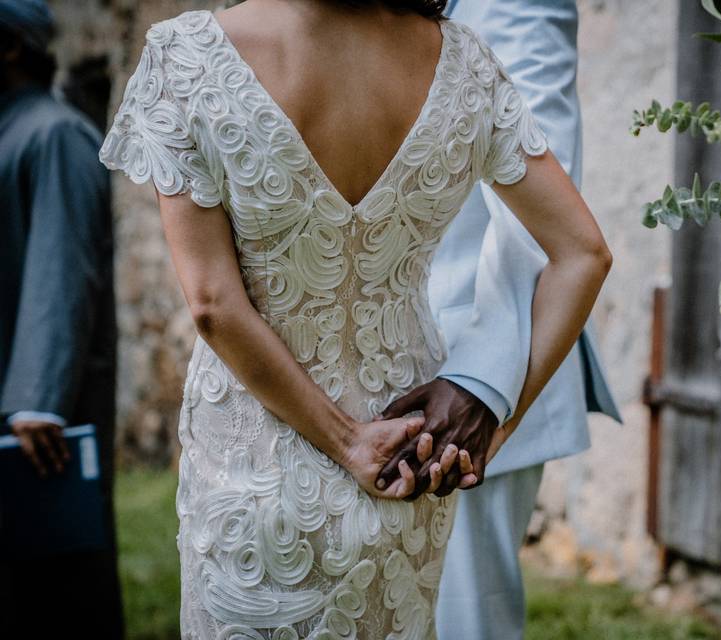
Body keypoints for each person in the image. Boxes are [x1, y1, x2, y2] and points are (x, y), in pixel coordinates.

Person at [100, 0, 611, 636]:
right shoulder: (462, 60)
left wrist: (346, 441)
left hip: (256, 467)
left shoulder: (187, 55)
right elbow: (583, 253)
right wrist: (497, 424)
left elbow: (213, 306)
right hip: (410, 458)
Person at [372, 1, 621, 638]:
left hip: (468, 382)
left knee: (462, 625)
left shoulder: (514, 4)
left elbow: (546, 210)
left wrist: (479, 384)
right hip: (374, 370)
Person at [0, 0, 122, 636]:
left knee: (58, 590)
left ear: (10, 47)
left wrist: (36, 400)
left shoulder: (55, 133)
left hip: (39, 428)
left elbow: (63, 263)